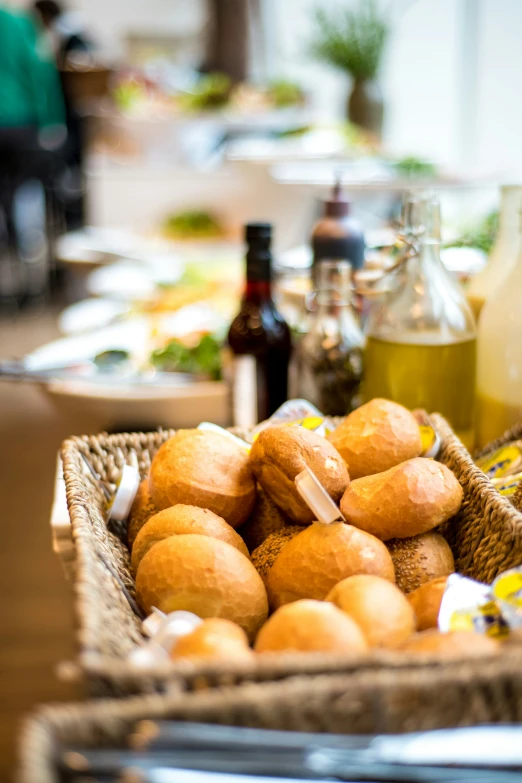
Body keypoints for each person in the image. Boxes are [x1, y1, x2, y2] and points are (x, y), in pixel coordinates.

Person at [0, 4, 65, 306]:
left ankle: (10, 276)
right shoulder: (18, 23)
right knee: (25, 194)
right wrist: (52, 119)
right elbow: (39, 70)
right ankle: (30, 280)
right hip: (19, 123)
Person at [33, 0, 94, 231]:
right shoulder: (69, 36)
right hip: (69, 118)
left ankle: (73, 222)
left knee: (70, 173)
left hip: (71, 118)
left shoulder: (72, 38)